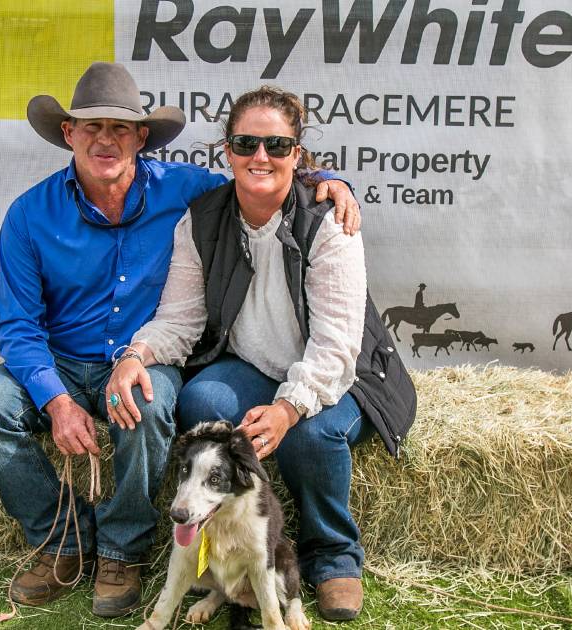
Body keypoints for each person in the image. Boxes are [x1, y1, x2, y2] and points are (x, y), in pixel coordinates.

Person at [0, 63, 359, 618]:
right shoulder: (28, 215)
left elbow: (264, 176)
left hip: (145, 356)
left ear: (142, 137)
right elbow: (18, 326)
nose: (105, 140)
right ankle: (63, 538)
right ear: (68, 133)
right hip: (60, 360)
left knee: (147, 405)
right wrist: (56, 399)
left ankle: (122, 550)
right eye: (90, 126)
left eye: (121, 128)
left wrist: (329, 180)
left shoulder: (187, 191)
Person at [103, 86, 414, 622]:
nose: (260, 157)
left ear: (298, 152)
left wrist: (289, 408)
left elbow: (338, 345)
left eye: (276, 144)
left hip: (340, 375)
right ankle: (234, 538)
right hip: (254, 366)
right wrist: (137, 354)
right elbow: (180, 319)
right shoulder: (201, 219)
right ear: (227, 150)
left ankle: (333, 555)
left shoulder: (328, 222)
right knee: (202, 400)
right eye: (246, 143)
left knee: (312, 432)